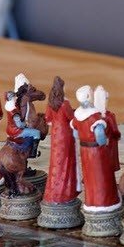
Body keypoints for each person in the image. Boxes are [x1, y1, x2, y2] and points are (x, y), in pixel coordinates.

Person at [70, 85, 121, 210]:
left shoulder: (77, 115)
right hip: (97, 151)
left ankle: (91, 201)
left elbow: (75, 133)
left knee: (89, 177)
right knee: (101, 175)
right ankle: (105, 202)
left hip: (84, 150)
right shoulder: (94, 117)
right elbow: (100, 136)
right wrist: (105, 143)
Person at [42, 76, 79, 205]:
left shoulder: (51, 103)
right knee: (66, 162)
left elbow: (48, 119)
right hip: (66, 135)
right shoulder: (65, 103)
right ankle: (65, 193)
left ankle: (53, 193)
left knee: (56, 163)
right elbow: (72, 118)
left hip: (55, 135)